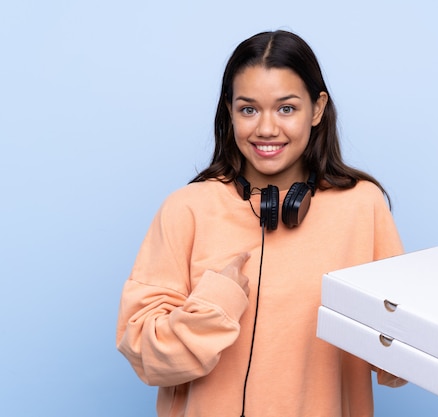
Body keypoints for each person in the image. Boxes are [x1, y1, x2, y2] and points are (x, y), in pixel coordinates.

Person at [116, 29, 405, 417]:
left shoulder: (362, 206)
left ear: (317, 109)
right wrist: (217, 302)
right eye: (248, 109)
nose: (266, 129)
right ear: (230, 110)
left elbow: (396, 361)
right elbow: (145, 355)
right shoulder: (187, 208)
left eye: (286, 108)